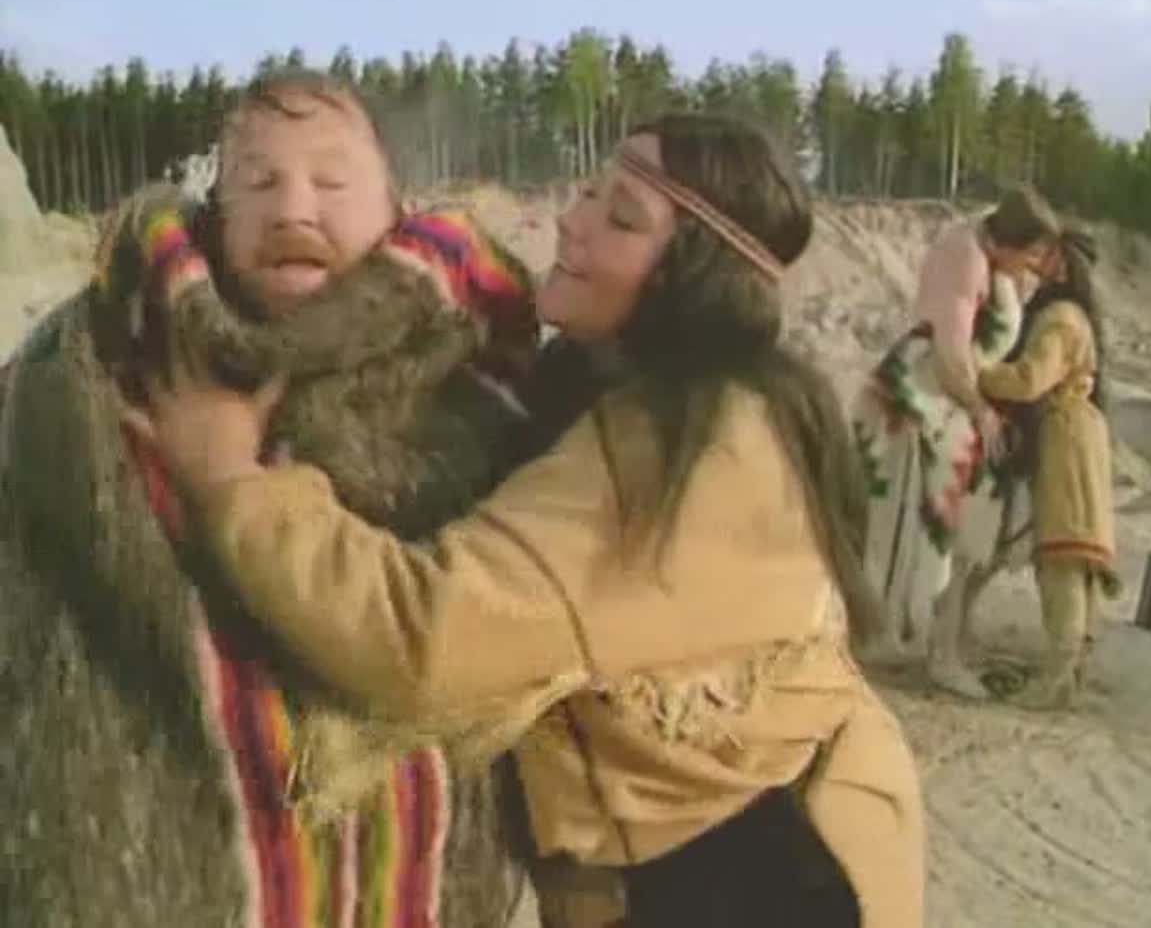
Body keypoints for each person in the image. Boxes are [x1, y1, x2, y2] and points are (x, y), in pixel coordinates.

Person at [130, 113, 926, 928]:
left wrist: (229, 476)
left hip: (765, 882)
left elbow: (424, 635)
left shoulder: (693, 448)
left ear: (691, 276)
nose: (573, 223)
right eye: (589, 195)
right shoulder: (660, 395)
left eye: (621, 219)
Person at [0, 68, 537, 926]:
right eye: (257, 182)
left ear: (396, 210)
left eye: (331, 181)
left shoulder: (474, 375)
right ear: (216, 212)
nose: (293, 208)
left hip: (413, 875)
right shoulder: (100, 357)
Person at [852, 185, 1060, 698]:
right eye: (1030, 253)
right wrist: (979, 410)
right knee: (934, 518)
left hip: (949, 401)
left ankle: (935, 637)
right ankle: (926, 644)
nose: (1034, 264)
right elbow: (950, 356)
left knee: (968, 513)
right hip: (918, 401)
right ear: (1009, 242)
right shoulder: (965, 257)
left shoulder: (994, 255)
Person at [978, 227, 1119, 710]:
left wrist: (975, 371)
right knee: (1077, 559)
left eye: (1049, 252)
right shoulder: (1077, 316)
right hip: (1077, 435)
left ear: (1062, 262)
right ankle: (1070, 670)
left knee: (1062, 556)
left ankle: (1056, 679)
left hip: (1066, 440)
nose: (1038, 259)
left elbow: (1029, 380)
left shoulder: (1059, 318)